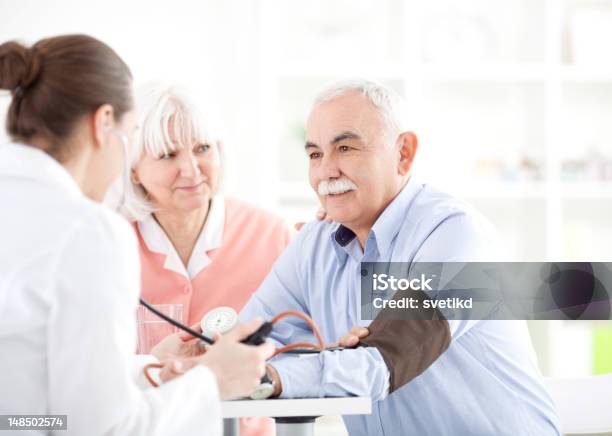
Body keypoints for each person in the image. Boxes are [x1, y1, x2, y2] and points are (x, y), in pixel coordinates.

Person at [240, 80, 562, 435]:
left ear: (404, 153)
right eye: (315, 154)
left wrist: (268, 376)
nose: (325, 171)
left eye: (345, 148)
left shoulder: (458, 236)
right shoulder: (313, 246)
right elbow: (249, 341)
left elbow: (385, 358)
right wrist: (210, 364)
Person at [0, 34, 273, 436]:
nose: (191, 170)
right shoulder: (86, 231)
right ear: (103, 123)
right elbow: (101, 429)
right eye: (133, 140)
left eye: (202, 148)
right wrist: (211, 382)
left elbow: (31, 414)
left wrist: (144, 369)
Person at [112, 84, 293, 435]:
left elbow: (305, 349)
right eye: (167, 155)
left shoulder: (273, 235)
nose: (192, 170)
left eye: (203, 149)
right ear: (133, 168)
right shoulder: (109, 243)